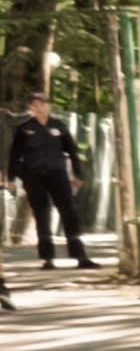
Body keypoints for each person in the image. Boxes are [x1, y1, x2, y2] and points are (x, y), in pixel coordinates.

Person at [12, 92, 94, 270]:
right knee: (42, 214)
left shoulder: (59, 126)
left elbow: (72, 151)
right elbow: (15, 155)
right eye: (35, 105)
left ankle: (80, 256)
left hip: (58, 175)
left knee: (68, 212)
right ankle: (47, 258)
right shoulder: (24, 129)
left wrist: (77, 174)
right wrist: (14, 177)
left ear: (48, 106)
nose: (39, 108)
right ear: (30, 108)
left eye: (42, 104)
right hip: (34, 177)